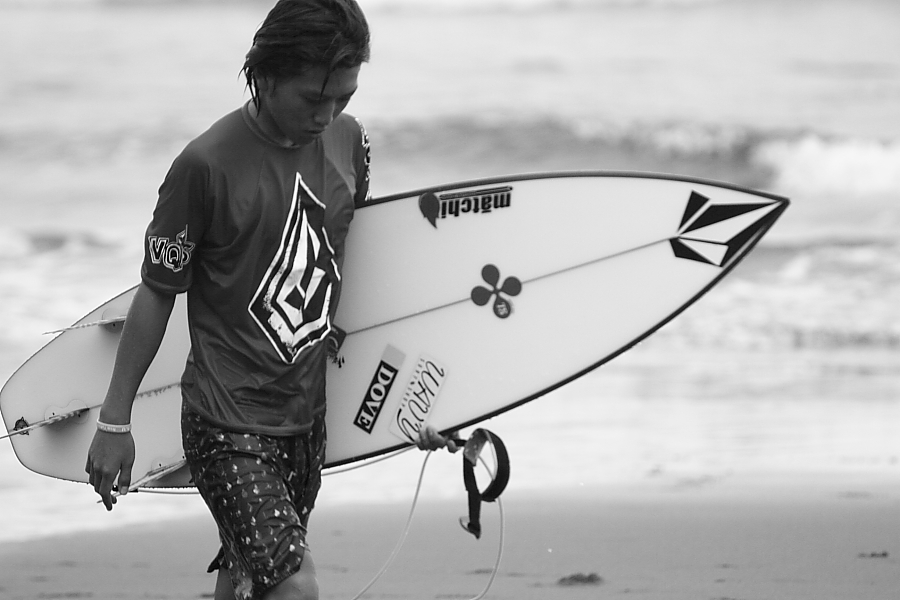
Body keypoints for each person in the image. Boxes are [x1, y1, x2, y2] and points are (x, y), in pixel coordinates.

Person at [84, 2, 454, 599]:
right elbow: (157, 292)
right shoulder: (204, 167)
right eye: (314, 99)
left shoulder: (350, 143)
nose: (327, 115)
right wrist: (113, 421)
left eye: (344, 98)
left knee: (246, 577)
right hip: (225, 420)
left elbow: (355, 268)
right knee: (293, 585)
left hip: (307, 415)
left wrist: (417, 399)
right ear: (266, 75)